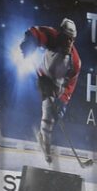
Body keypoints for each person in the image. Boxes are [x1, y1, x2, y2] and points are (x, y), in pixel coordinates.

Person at [23, 18, 81, 165]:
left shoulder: (75, 61)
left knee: (49, 118)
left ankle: (46, 147)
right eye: (67, 38)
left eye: (72, 39)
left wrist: (63, 102)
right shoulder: (52, 36)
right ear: (60, 35)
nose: (69, 43)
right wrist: (29, 41)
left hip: (56, 87)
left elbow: (71, 85)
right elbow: (35, 32)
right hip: (43, 75)